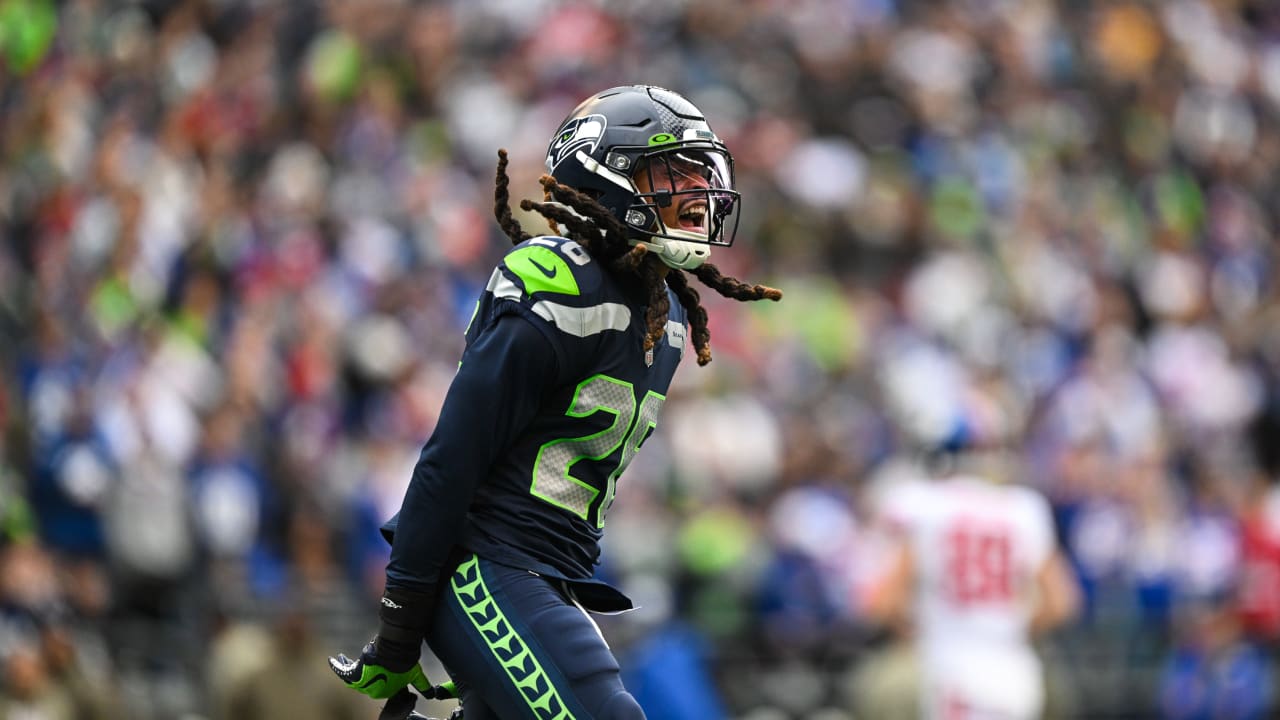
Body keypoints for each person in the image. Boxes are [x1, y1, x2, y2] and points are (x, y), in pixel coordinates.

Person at [329, 85, 782, 719]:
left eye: (696, 176)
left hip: (551, 576)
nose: (695, 196)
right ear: (609, 177)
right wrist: (402, 613)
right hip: (488, 567)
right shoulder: (557, 280)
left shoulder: (667, 308)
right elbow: (453, 454)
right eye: (671, 175)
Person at [865, 445, 1081, 720]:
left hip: (950, 666)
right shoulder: (1023, 507)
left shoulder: (928, 507)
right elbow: (1062, 603)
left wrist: (921, 631)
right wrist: (1012, 629)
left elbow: (881, 602)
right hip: (1013, 669)